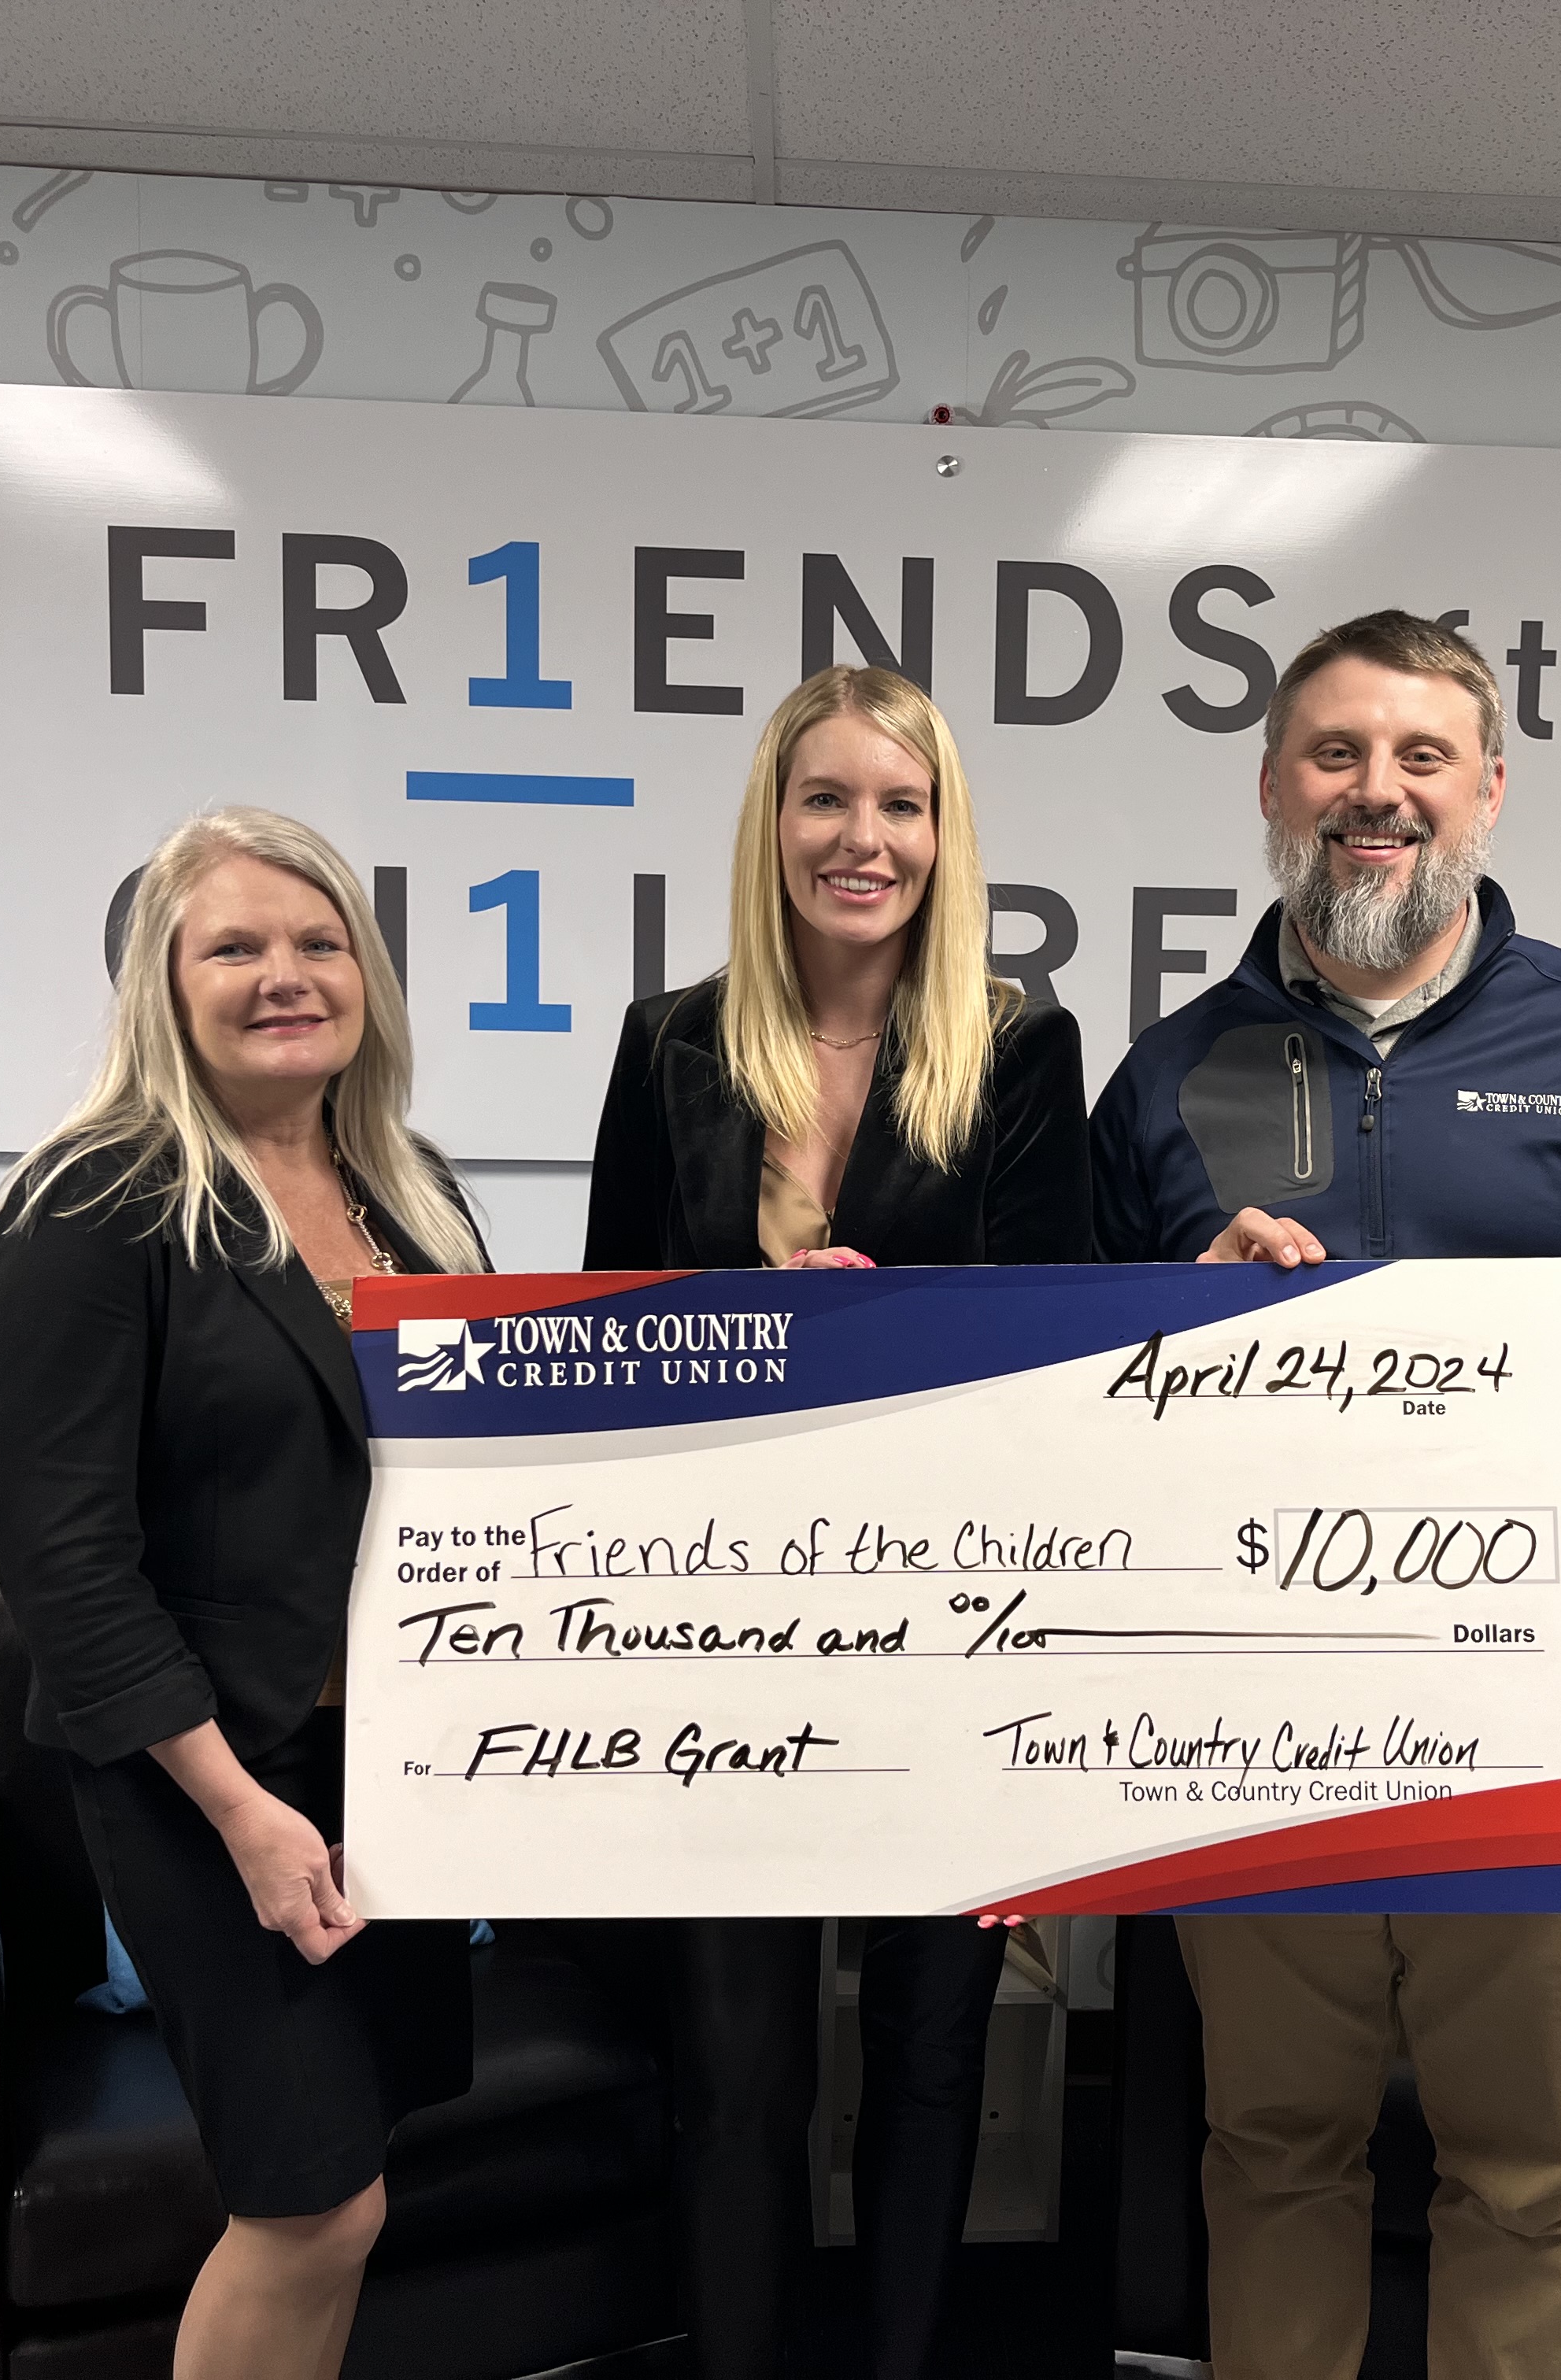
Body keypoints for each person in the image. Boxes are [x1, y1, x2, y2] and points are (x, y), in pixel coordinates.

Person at [1089, 612, 1561, 2380]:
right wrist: (1184, 1295)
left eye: (1419, 758)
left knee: (1521, 2179)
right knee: (1272, 2156)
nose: (1374, 793)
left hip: (1539, 1706)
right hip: (1254, 1717)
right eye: (1335, 755)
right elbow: (1078, 1403)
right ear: (1273, 786)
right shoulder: (1165, 1080)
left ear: (1489, 789)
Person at [583, 664, 1092, 2378]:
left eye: (901, 803)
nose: (861, 838)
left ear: (943, 836)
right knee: (735, 2066)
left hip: (951, 1638)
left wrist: (886, 1337)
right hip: (720, 1629)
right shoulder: (666, 1044)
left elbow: (1051, 1359)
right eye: (828, 800)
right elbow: (605, 1345)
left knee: (936, 2047)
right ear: (772, 822)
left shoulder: (1022, 1046)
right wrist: (753, 1318)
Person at [0, 806, 492, 2380]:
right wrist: (242, 1814)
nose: (287, 974)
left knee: (357, 2182)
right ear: (163, 985)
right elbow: (66, 1566)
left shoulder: (408, 1188)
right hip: (209, 1780)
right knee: (308, 2206)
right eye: (237, 947)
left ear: (367, 978)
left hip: (383, 1765)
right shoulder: (92, 1205)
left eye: (320, 942)